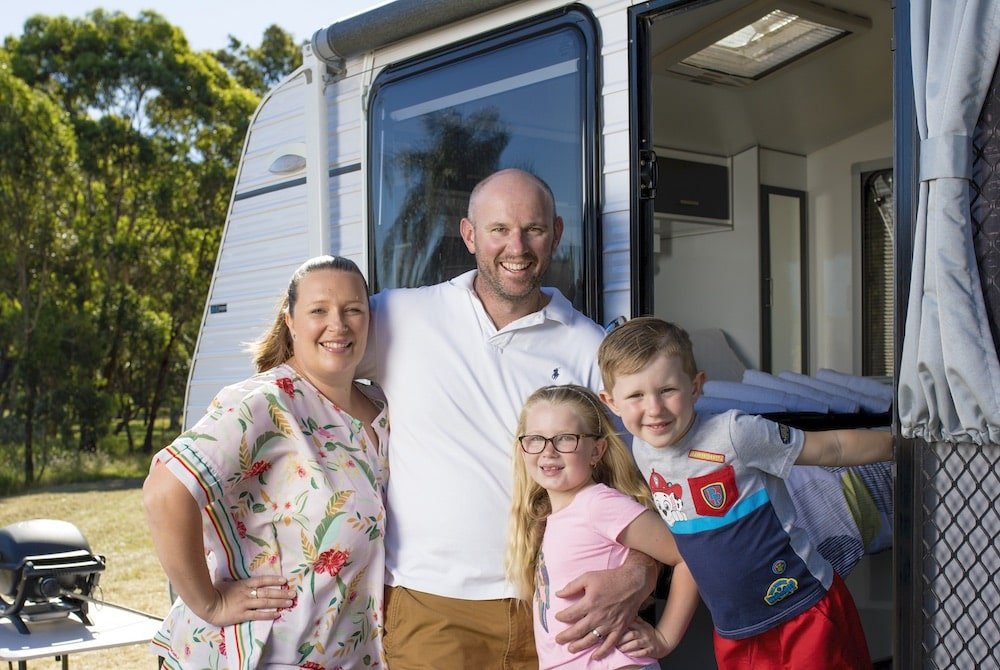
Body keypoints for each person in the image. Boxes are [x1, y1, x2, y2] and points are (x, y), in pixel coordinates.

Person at [360, 168, 656, 668]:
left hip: (559, 608)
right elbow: (311, 361)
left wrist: (640, 574)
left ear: (556, 234)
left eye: (533, 230)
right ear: (470, 235)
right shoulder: (397, 317)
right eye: (499, 229)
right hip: (433, 607)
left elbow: (643, 480)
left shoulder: (591, 347)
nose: (516, 247)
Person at [597, 317, 894, 670]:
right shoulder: (643, 453)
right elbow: (690, 550)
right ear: (610, 402)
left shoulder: (735, 433)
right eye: (635, 396)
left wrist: (904, 445)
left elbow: (831, 448)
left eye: (667, 390)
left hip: (802, 613)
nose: (654, 409)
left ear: (696, 386)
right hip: (736, 633)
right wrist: (665, 637)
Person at [142, 256, 388, 670]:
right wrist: (210, 602)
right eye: (319, 311)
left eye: (353, 310)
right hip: (255, 655)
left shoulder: (382, 407)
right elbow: (164, 492)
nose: (339, 325)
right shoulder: (263, 403)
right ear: (290, 320)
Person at [507, 384, 700, 669]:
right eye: (536, 439)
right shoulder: (549, 519)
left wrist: (665, 637)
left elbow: (690, 553)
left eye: (565, 439)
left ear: (596, 450)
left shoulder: (599, 505)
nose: (548, 452)